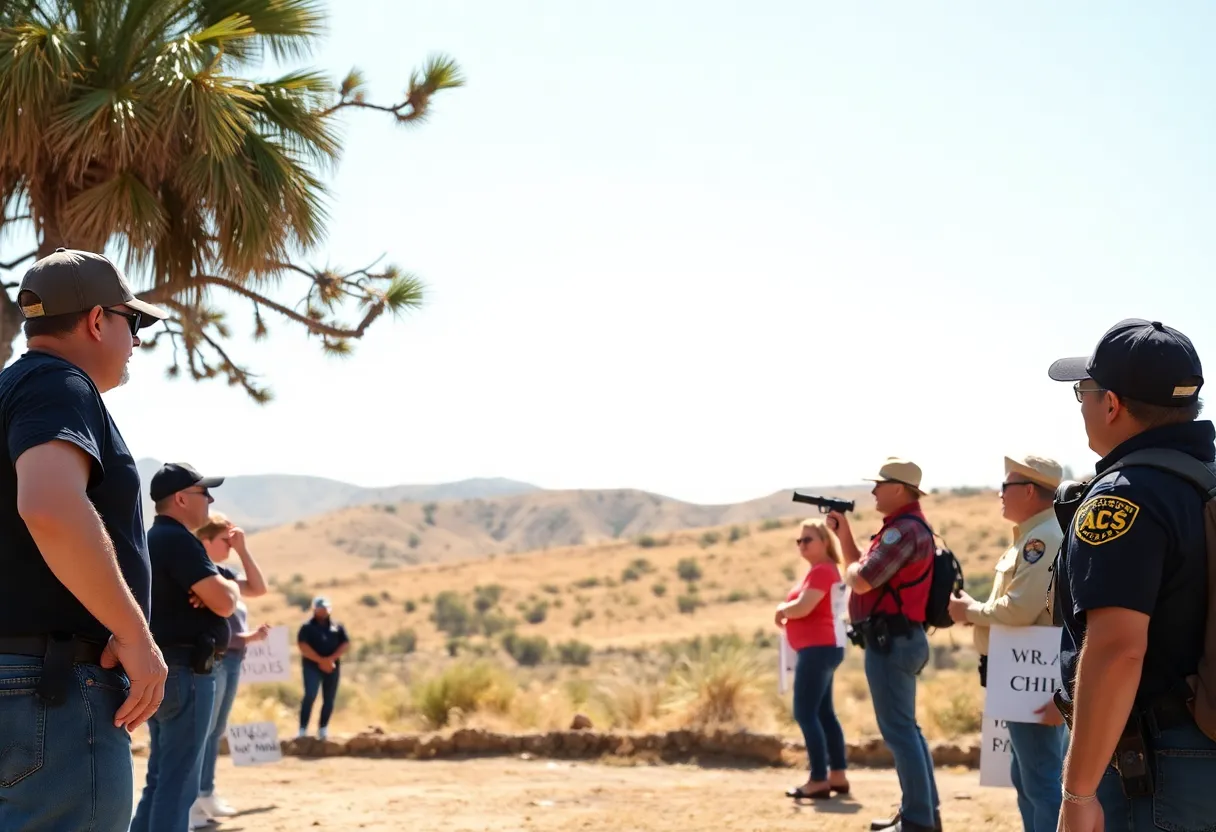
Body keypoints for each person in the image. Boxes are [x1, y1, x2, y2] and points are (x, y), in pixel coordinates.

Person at [0, 248, 169, 831]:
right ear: (98, 320)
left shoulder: (12, 389)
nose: (137, 340)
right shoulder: (59, 384)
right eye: (135, 322)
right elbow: (48, 507)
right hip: (51, 690)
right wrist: (135, 636)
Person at [1047, 318, 1216, 832]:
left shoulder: (1124, 495)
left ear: (1112, 404)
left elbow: (1119, 649)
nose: (1082, 407)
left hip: (1163, 763)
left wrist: (1078, 795)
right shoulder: (1202, 485)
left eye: (1084, 393)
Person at [946, 454, 1066, 832]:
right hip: (1017, 674)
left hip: (1031, 676)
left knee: (1040, 779)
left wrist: (970, 611)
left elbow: (1017, 611)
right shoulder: (1033, 536)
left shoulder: (1043, 539)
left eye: (1005, 487)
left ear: (1029, 491)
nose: (1000, 495)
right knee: (1025, 775)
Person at [827, 457, 941, 832]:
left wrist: (850, 571)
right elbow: (864, 568)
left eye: (879, 485)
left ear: (897, 489)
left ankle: (917, 820)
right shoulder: (902, 528)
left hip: (892, 642)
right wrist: (843, 535)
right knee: (906, 730)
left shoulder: (901, 532)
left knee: (899, 732)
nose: (874, 491)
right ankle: (921, 812)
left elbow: (862, 578)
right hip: (898, 638)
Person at [131, 463, 241, 832]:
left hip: (167, 669)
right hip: (188, 672)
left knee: (161, 778)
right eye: (202, 492)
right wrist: (225, 590)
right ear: (180, 499)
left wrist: (216, 591)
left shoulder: (151, 537)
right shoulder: (179, 541)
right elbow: (226, 603)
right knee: (179, 785)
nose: (209, 500)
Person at [190, 512, 271, 828]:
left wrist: (242, 549)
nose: (231, 543)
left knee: (216, 730)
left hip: (233, 657)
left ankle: (206, 791)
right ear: (205, 540)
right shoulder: (200, 575)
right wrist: (245, 637)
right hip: (216, 658)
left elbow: (258, 587)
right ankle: (195, 797)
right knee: (204, 730)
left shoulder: (225, 573)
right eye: (225, 540)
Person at [776, 518, 850, 800]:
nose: (801, 544)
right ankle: (837, 775)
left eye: (807, 539)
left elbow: (804, 607)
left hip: (818, 649)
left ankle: (818, 779)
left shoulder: (822, 571)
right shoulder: (823, 570)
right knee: (823, 713)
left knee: (805, 713)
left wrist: (781, 610)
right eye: (799, 540)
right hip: (824, 648)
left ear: (824, 542)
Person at [298, 597, 350, 740]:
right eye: (321, 608)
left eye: (326, 608)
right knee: (310, 695)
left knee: (329, 698)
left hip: (332, 666)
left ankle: (323, 728)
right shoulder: (307, 627)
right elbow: (303, 647)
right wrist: (321, 661)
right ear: (315, 609)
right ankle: (302, 729)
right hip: (311, 666)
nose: (324, 611)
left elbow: (345, 644)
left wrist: (330, 660)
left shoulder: (337, 626)